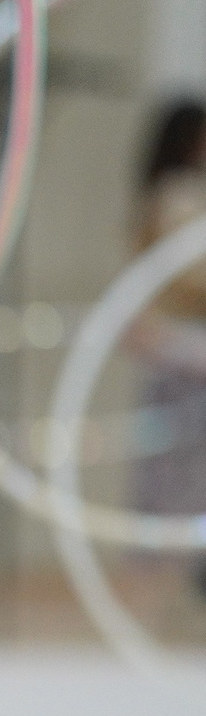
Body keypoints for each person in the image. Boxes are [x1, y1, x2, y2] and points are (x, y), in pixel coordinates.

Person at [130, 99, 206, 584]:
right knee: (181, 474)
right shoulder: (181, 197)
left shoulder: (159, 197)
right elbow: (188, 281)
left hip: (175, 349)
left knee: (173, 476)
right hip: (183, 349)